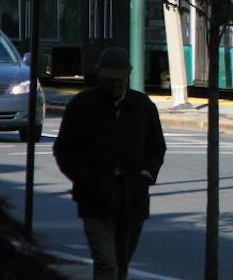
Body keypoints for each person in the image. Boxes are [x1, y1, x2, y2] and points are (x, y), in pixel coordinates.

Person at [53, 47, 166, 280]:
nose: (115, 87)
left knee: (121, 265)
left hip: (132, 198)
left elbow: (156, 147)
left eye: (120, 81)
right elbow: (65, 149)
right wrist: (85, 179)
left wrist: (147, 173)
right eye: (109, 81)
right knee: (107, 264)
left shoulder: (143, 107)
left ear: (128, 77)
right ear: (100, 77)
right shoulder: (82, 106)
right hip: (95, 199)